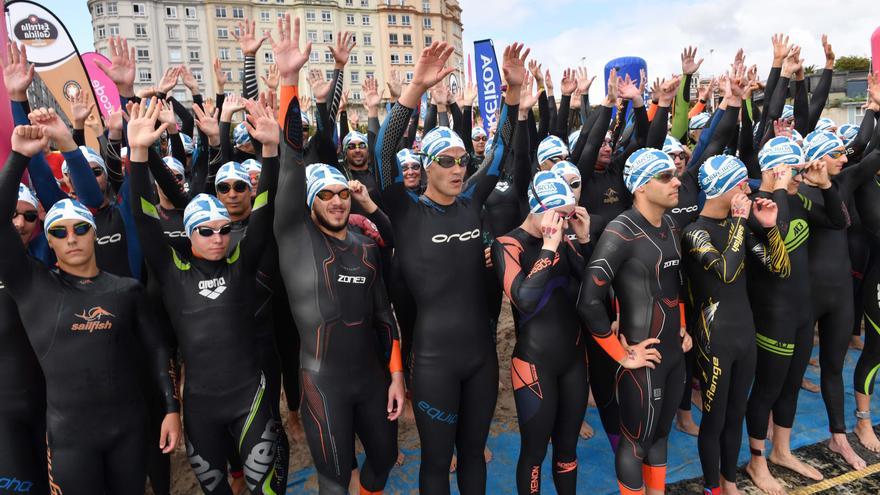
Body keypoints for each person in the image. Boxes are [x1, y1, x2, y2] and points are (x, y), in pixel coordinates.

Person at [374, 41, 526, 494]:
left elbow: (500, 151)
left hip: (482, 359)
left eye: (462, 160)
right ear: (425, 165)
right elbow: (383, 155)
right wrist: (415, 88)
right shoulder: (405, 211)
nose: (458, 168)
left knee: (474, 459)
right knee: (437, 464)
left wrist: (513, 93)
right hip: (434, 362)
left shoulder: (471, 201)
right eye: (446, 161)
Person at [0, 124, 181, 495]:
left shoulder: (126, 290)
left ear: (94, 233)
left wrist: (171, 408)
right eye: (60, 232)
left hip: (128, 432)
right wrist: (18, 156)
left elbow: (157, 350)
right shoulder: (35, 286)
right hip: (70, 441)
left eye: (80, 229)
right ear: (47, 241)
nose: (72, 239)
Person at [127, 98, 288, 495]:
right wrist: (138, 154)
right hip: (200, 407)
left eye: (223, 230)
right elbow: (144, 217)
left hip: (249, 397)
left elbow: (264, 209)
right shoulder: (171, 271)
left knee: (267, 490)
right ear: (188, 234)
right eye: (206, 231)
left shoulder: (242, 264)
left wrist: (270, 152)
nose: (218, 238)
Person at [577, 147, 692, 495]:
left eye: (674, 174)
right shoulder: (621, 231)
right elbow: (588, 300)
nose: (676, 182)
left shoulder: (670, 224)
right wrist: (620, 353)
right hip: (643, 360)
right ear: (641, 186)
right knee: (635, 442)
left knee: (660, 435)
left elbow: (674, 284)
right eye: (665, 176)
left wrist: (683, 323)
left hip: (672, 351)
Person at [682, 154, 790, 495]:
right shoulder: (694, 232)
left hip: (744, 335)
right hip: (714, 339)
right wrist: (742, 223)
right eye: (742, 183)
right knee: (714, 421)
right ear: (726, 189)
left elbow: (779, 268)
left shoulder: (735, 227)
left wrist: (770, 228)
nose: (748, 189)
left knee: (735, 415)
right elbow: (726, 273)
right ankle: (712, 487)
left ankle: (729, 483)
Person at [744, 140, 847, 494]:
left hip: (802, 313)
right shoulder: (761, 208)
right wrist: (776, 187)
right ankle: (756, 462)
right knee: (767, 391)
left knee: (790, 387)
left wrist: (825, 186)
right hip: (774, 316)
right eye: (793, 170)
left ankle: (781, 451)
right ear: (776, 171)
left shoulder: (798, 199)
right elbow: (781, 236)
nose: (800, 176)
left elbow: (837, 221)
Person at [492, 171, 591, 494]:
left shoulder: (566, 239)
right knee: (534, 454)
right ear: (541, 210)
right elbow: (523, 299)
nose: (566, 223)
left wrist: (584, 241)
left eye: (569, 215)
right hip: (534, 366)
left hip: (574, 360)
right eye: (561, 216)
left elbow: (593, 290)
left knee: (567, 451)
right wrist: (549, 248)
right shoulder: (507, 244)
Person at [0, 182, 48, 495]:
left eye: (29, 216)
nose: (20, 223)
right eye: (12, 214)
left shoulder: (44, 272)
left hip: (50, 409)